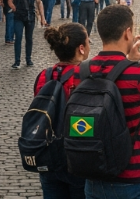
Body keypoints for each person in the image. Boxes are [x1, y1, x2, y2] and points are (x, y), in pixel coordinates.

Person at [81, 5, 140, 198]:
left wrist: (127, 59)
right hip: (133, 177)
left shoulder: (83, 71)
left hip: (94, 176)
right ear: (127, 33)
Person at [35, 23, 90, 198]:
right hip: (78, 155)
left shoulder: (44, 75)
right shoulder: (86, 76)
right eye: (88, 41)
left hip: (49, 154)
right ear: (81, 48)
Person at [9, 0, 46, 68]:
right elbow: (10, 0)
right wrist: (12, 6)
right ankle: (17, 61)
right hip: (18, 16)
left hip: (30, 16)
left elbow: (39, 2)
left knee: (29, 38)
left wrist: (43, 17)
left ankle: (28, 59)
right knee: (18, 38)